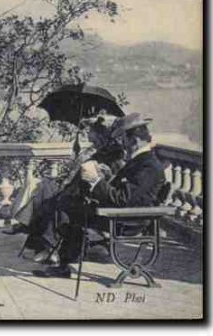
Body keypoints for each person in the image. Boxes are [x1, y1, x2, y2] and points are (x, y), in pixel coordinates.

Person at [33, 113, 166, 278]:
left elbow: (123, 199)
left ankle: (62, 260)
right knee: (67, 203)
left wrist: (96, 180)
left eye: (124, 139)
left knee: (67, 208)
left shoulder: (149, 166)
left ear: (135, 140)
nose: (123, 144)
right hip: (124, 214)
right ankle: (64, 258)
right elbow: (126, 192)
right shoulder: (142, 161)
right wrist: (106, 177)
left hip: (128, 220)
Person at [12, 115, 124, 264]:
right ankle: (42, 245)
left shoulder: (114, 156)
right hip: (77, 190)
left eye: (93, 137)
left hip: (89, 197)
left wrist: (102, 173)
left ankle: (42, 243)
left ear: (103, 135)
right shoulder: (98, 153)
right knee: (45, 189)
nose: (91, 141)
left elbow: (111, 181)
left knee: (49, 196)